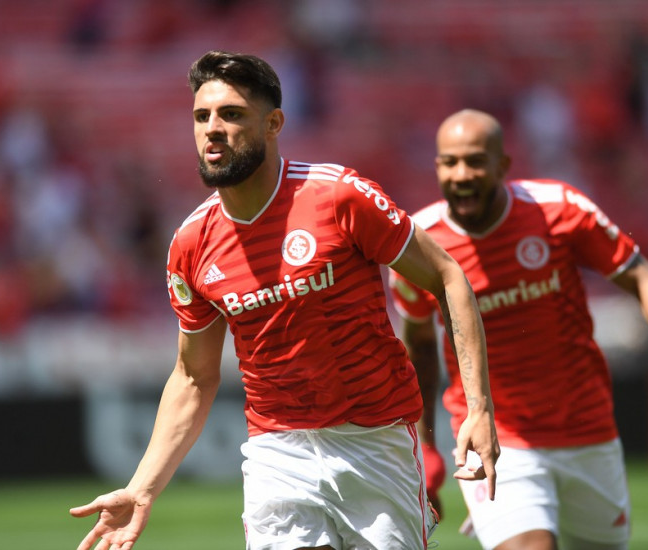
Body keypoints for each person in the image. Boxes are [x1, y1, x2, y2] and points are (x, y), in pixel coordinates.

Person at [69, 52, 500, 550]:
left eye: (231, 114)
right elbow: (193, 376)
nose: (212, 128)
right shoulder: (191, 244)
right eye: (201, 116)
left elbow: (448, 277)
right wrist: (142, 487)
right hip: (279, 455)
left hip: (376, 444)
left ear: (273, 123)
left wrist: (479, 408)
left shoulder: (339, 197)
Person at [390, 108, 648, 550]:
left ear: (503, 165)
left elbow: (639, 274)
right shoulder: (420, 244)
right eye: (450, 162)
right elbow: (420, 352)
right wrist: (425, 444)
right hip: (497, 434)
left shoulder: (558, 210)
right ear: (437, 167)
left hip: (587, 427)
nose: (462, 173)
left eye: (475, 160)